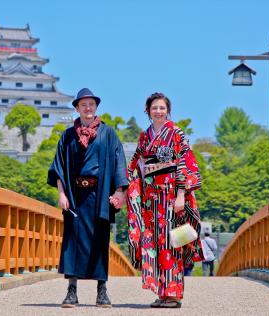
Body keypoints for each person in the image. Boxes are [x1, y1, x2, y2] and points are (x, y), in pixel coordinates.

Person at [47, 88, 128, 308]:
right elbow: (59, 167)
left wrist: (120, 192)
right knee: (71, 242)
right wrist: (62, 194)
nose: (88, 108)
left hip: (99, 195)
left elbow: (119, 162)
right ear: (77, 108)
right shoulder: (68, 135)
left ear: (96, 107)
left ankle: (102, 291)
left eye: (91, 104)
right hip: (75, 196)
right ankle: (71, 291)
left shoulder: (108, 133)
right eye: (83, 105)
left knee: (100, 241)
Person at [126, 92, 204, 308]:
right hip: (150, 198)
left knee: (171, 242)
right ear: (148, 111)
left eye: (162, 108)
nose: (158, 111)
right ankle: (161, 291)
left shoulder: (176, 133)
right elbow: (135, 166)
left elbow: (184, 163)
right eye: (154, 108)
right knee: (153, 243)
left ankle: (174, 293)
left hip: (170, 195)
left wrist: (181, 195)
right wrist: (131, 191)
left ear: (168, 110)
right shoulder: (144, 136)